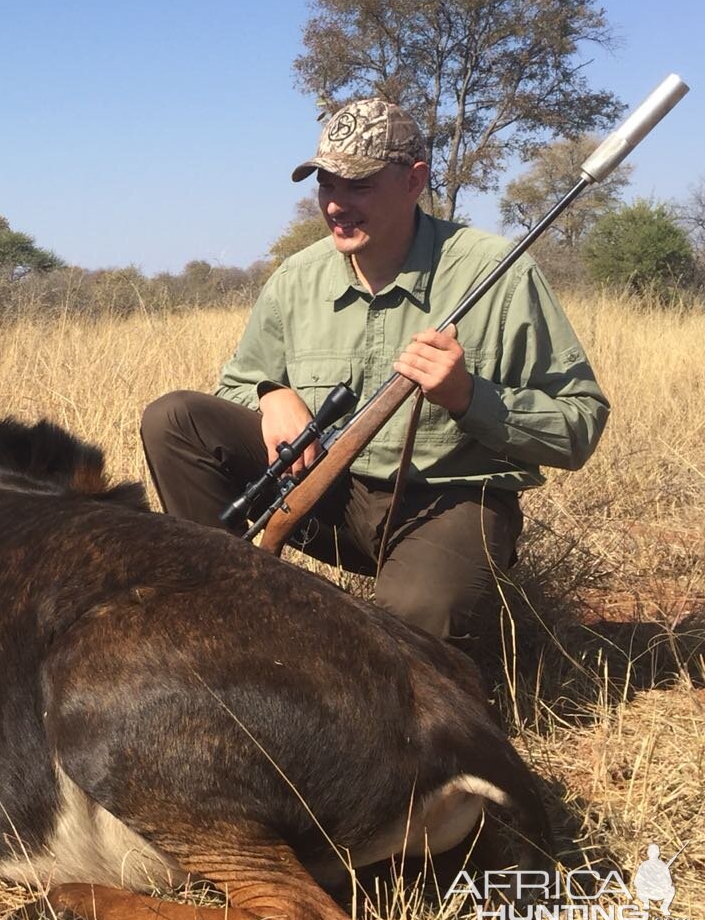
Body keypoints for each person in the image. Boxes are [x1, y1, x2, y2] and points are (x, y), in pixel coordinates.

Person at [141, 98, 609, 641]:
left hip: (448, 505)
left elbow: (579, 426)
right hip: (324, 494)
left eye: (357, 186)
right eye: (326, 185)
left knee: (401, 632)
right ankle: (224, 618)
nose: (335, 205)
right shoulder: (297, 278)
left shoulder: (497, 273)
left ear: (414, 182)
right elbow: (239, 383)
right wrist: (272, 394)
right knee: (173, 418)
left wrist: (467, 396)